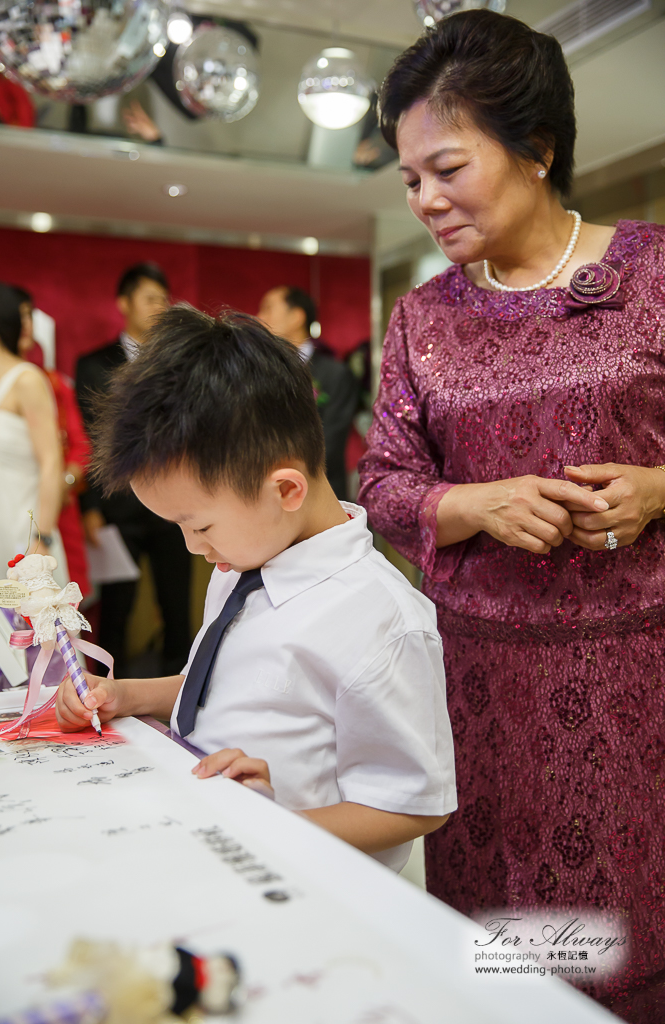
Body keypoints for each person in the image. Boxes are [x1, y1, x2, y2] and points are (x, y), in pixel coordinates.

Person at [358, 10, 665, 1021]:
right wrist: (469, 501)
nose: (424, 200)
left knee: (628, 939)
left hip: (637, 682)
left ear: (535, 146)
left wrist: (659, 487)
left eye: (444, 167)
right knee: (504, 946)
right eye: (409, 181)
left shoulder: (652, 275)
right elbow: (383, 484)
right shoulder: (422, 317)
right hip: (480, 690)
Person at [55, 306, 457, 872]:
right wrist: (132, 696)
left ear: (286, 489)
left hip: (302, 885)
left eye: (198, 526)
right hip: (202, 836)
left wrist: (272, 824)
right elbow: (233, 682)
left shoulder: (381, 621)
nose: (193, 548)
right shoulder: (246, 561)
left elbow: (416, 806)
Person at [75, 263, 191, 676]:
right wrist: (90, 507)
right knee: (116, 610)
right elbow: (86, 441)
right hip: (117, 506)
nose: (158, 307)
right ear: (124, 304)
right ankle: (108, 690)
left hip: (174, 507)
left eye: (163, 298)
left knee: (177, 602)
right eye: (149, 298)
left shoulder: (178, 364)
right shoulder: (92, 365)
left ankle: (181, 695)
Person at [0, 280, 66, 585]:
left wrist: (42, 538)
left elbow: (51, 462)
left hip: (23, 539)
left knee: (25, 629)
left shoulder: (27, 380)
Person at [14, 287, 92, 598]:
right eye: (17, 316)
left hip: (56, 510)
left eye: (28, 316)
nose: (25, 324)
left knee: (57, 605)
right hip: (8, 506)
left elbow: (81, 447)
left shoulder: (53, 383)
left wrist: (64, 482)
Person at [258, 286, 358, 500]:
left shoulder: (335, 373)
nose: (259, 317)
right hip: (268, 494)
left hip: (322, 493)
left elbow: (331, 439)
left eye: (268, 308)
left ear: (296, 317)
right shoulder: (260, 372)